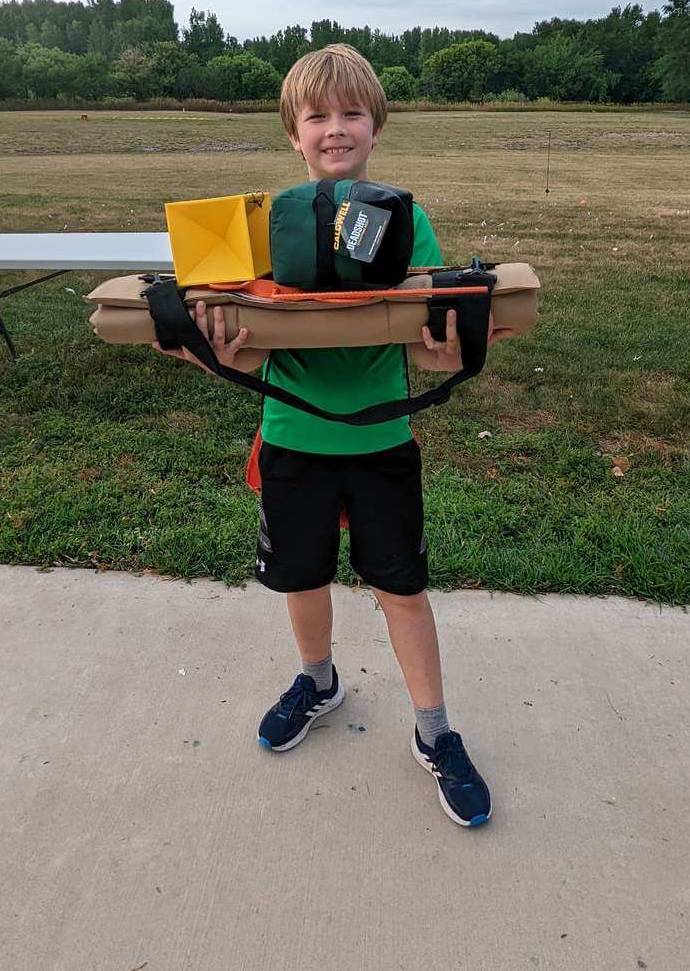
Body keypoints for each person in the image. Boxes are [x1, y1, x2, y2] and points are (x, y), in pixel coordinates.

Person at [153, 44, 509, 827]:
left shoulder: (406, 220)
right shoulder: (262, 228)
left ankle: (434, 731)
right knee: (302, 578)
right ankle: (318, 680)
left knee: (402, 590)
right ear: (294, 134)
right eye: (317, 116)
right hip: (292, 439)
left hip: (380, 446)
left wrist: (455, 350)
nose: (335, 128)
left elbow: (422, 342)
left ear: (377, 126)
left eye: (352, 113)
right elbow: (250, 342)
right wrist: (217, 353)